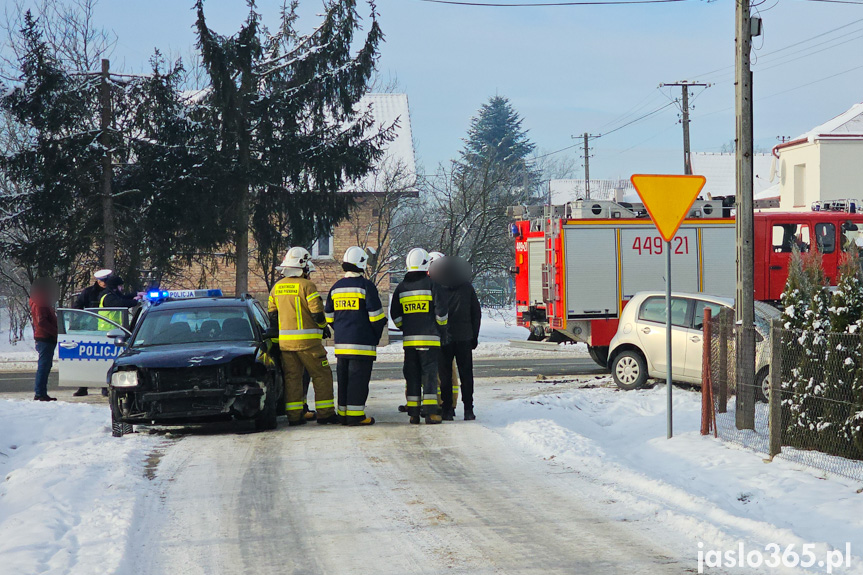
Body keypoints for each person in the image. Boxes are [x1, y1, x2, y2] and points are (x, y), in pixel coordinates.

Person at [268, 247, 338, 426]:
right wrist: (323, 327)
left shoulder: (277, 287)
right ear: (303, 267)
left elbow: (273, 316)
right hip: (308, 344)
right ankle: (325, 414)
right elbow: (316, 313)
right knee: (321, 375)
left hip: (286, 345)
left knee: (292, 378)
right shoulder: (307, 286)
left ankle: (294, 416)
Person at [324, 246, 386, 426]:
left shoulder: (335, 288)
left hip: (342, 344)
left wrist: (341, 330)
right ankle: (356, 416)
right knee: (358, 381)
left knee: (343, 380)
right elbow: (376, 317)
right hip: (362, 343)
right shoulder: (366, 286)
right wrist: (373, 338)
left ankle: (343, 414)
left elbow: (329, 316)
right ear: (362, 264)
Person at [390, 248, 448, 424]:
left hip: (409, 341)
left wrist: (406, 327)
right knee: (429, 376)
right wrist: (441, 330)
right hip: (430, 341)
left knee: (412, 375)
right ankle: (431, 413)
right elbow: (441, 313)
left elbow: (395, 315)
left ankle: (414, 414)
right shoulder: (433, 285)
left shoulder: (401, 288)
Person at [434, 256, 481, 421]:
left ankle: (447, 409)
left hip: (443, 339)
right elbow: (476, 314)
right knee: (466, 375)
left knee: (445, 375)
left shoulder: (436, 288)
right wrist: (474, 336)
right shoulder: (467, 288)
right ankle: (469, 409)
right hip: (464, 337)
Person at [70, 269, 112, 396]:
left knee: (105, 359)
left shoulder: (111, 293)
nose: (104, 283)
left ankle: (105, 386)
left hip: (105, 329)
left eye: (106, 281)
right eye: (101, 281)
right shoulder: (88, 292)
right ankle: (83, 386)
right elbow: (77, 306)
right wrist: (85, 318)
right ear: (97, 281)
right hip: (89, 329)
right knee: (86, 359)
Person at [30, 277, 58, 402]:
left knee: (45, 365)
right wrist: (55, 332)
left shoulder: (40, 301)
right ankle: (40, 393)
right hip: (45, 337)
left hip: (44, 337)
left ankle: (41, 392)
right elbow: (42, 322)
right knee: (44, 366)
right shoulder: (40, 302)